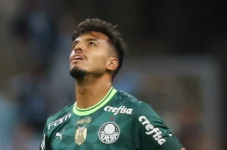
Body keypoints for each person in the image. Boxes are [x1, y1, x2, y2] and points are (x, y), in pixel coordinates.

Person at [40, 18, 186, 150]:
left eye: (91, 44)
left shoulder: (134, 113)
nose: (77, 48)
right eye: (74, 45)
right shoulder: (54, 124)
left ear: (111, 63)